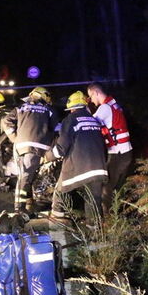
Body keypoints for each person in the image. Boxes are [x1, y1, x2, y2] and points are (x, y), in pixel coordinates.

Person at [50, 91, 108, 220]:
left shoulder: (70, 120)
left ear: (72, 109)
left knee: (60, 191)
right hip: (99, 168)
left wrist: (48, 156)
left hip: (80, 167)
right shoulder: (94, 120)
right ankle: (96, 234)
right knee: (93, 202)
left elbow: (61, 148)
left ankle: (58, 222)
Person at [1, 86, 56, 214]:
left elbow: (6, 121)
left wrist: (14, 138)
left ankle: (28, 206)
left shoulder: (20, 108)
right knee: (25, 177)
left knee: (25, 176)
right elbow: (53, 128)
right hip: (35, 147)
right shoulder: (48, 110)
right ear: (44, 96)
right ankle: (19, 209)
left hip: (19, 147)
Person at [87, 82, 133, 211]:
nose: (91, 101)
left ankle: (107, 217)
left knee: (107, 186)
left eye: (90, 97)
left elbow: (89, 123)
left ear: (96, 93)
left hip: (118, 153)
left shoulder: (105, 108)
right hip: (125, 151)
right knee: (117, 186)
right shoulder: (114, 104)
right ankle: (118, 214)